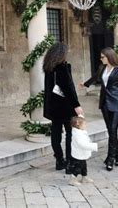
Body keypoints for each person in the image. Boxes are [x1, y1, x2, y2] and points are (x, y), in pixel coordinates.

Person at [80, 48, 118, 171]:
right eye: (101, 57)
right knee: (110, 131)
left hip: (117, 103)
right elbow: (95, 77)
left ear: (109, 57)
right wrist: (85, 84)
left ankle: (110, 158)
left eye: (103, 57)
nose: (101, 59)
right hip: (105, 103)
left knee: (113, 129)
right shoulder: (102, 68)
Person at [43, 42, 83, 172]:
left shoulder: (48, 67)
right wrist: (76, 105)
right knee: (70, 134)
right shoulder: (62, 67)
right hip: (65, 106)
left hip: (53, 107)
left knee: (56, 133)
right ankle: (70, 161)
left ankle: (59, 160)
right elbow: (68, 88)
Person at [69, 116, 98, 186]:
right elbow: (82, 144)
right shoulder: (78, 134)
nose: (86, 126)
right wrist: (93, 146)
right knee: (78, 167)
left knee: (83, 166)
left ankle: (84, 177)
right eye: (84, 124)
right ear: (78, 125)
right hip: (79, 154)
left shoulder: (81, 132)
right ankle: (72, 179)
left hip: (82, 153)